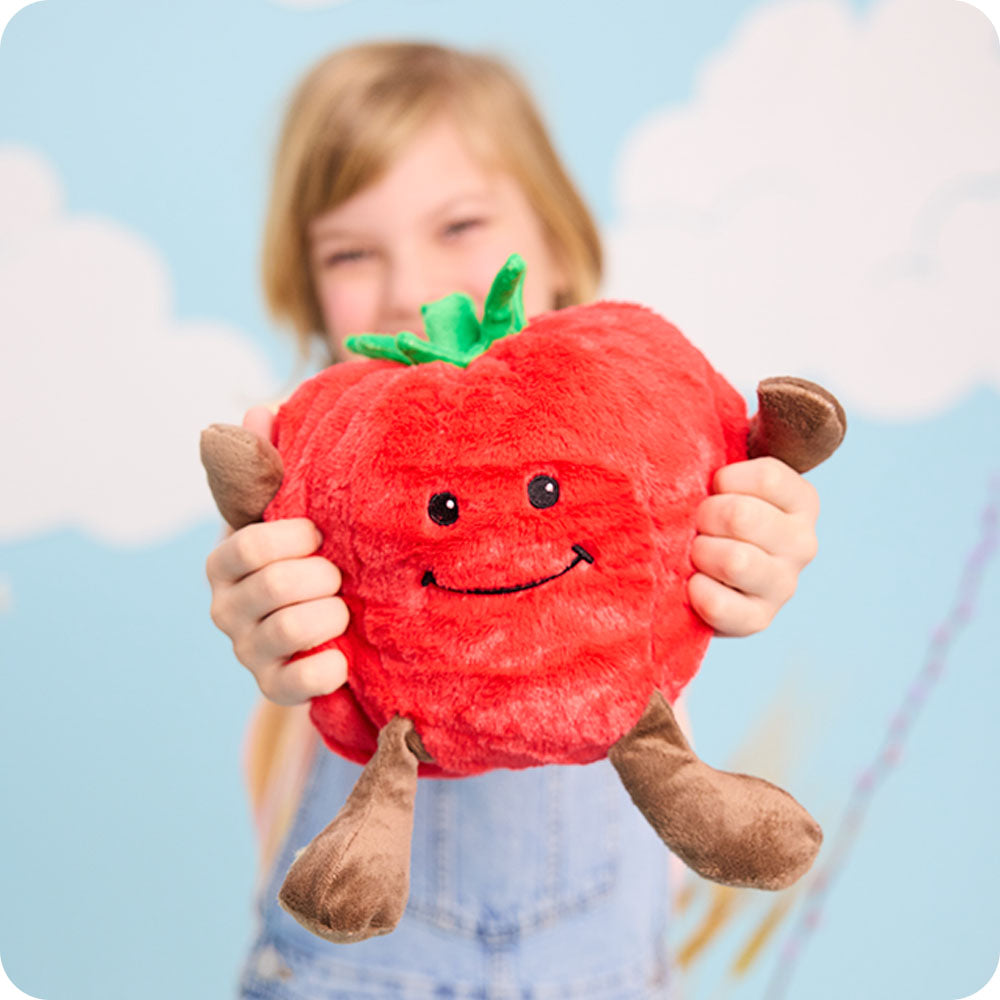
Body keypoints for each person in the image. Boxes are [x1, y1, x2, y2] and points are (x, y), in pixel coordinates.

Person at [206, 41, 821, 999]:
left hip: (603, 971)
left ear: (562, 247)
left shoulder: (635, 432)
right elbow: (271, 616)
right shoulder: (308, 475)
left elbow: (727, 512)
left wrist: (756, 547)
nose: (412, 287)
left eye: (459, 225)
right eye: (349, 252)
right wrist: (270, 621)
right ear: (306, 287)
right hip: (351, 971)